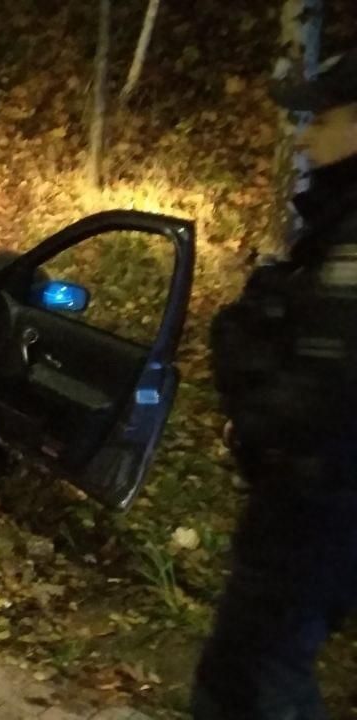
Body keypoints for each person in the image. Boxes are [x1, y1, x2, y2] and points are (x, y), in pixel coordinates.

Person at [193, 50, 357, 719]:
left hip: (316, 508)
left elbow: (322, 395)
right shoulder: (334, 231)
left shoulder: (350, 245)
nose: (302, 134)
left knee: (251, 675)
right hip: (316, 505)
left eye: (320, 118)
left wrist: (249, 389)